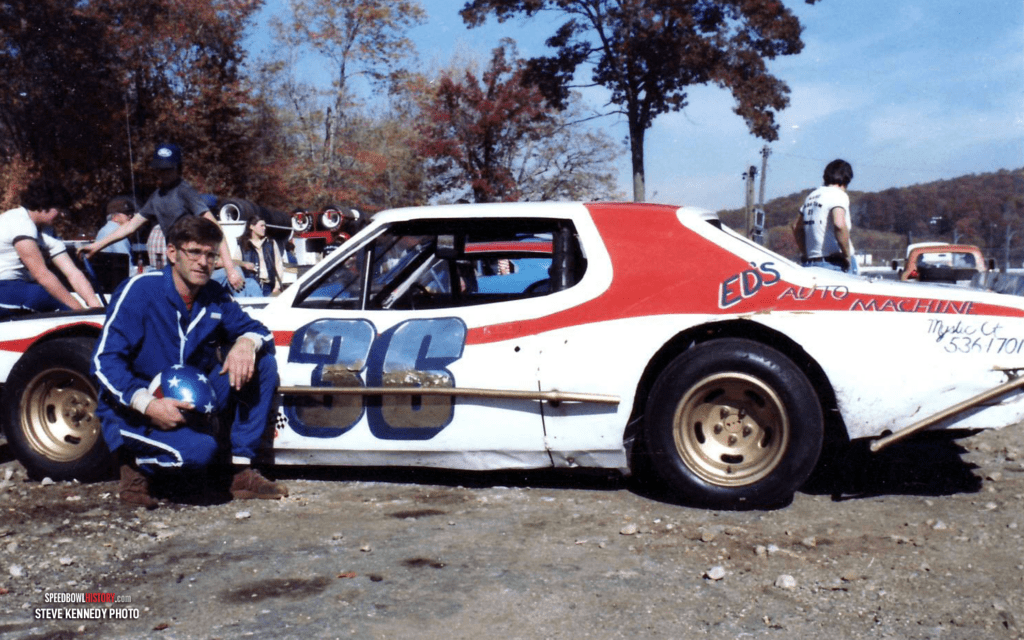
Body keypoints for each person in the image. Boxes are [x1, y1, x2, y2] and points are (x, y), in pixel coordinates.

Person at [91, 215, 287, 508]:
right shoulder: (140, 291)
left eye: (210, 254)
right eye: (194, 252)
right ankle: (134, 469)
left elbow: (258, 331)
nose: (203, 262)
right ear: (172, 253)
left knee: (262, 362)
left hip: (188, 399)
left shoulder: (214, 295)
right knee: (198, 452)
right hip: (138, 407)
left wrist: (245, 343)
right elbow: (104, 362)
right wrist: (148, 404)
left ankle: (238, 471)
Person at [80, 143, 245, 291]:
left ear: (178, 168)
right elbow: (130, 226)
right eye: (160, 169)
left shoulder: (185, 191)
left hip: (195, 261)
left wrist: (230, 270)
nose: (163, 174)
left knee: (235, 280)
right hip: (175, 263)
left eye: (168, 169)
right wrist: (96, 246)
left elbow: (216, 229)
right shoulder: (156, 197)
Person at [0, 178, 103, 318]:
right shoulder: (19, 221)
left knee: (49, 296)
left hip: (18, 287)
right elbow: (41, 274)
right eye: (59, 209)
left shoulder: (48, 231)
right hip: (5, 287)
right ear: (43, 205)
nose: (62, 214)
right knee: (40, 296)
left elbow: (73, 273)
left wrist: (96, 308)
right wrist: (79, 312)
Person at [792, 159, 858, 274]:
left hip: (811, 264)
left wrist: (807, 254)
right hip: (835, 264)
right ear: (847, 179)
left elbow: (795, 227)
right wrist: (847, 255)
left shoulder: (811, 196)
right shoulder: (838, 194)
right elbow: (839, 224)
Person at [234, 216, 284, 296]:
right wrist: (244, 264)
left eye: (265, 226)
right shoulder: (242, 244)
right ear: (252, 227)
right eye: (261, 225)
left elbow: (278, 265)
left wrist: (277, 286)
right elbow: (235, 263)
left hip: (269, 286)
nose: (264, 228)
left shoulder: (271, 243)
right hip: (251, 285)